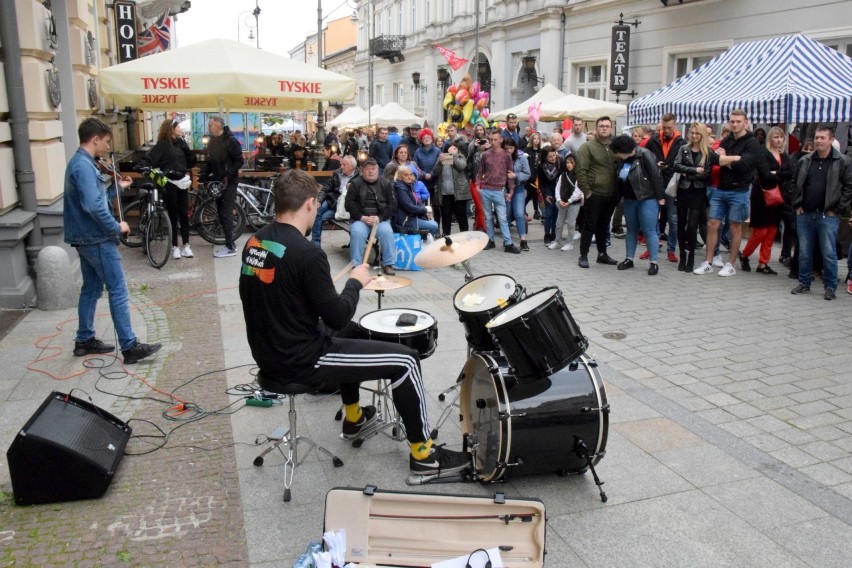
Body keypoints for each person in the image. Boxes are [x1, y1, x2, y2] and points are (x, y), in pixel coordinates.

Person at [239, 169, 468, 476]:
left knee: (353, 333)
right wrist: (355, 283)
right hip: (301, 359)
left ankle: (354, 418)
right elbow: (337, 313)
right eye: (316, 205)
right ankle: (424, 455)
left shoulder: (255, 243)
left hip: (268, 351)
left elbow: (282, 295)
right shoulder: (308, 253)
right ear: (309, 203)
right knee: (407, 361)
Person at [64, 117, 161, 364]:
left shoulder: (81, 163)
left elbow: (96, 198)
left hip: (85, 237)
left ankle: (84, 340)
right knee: (118, 290)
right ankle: (129, 347)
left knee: (91, 289)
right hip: (95, 237)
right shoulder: (84, 166)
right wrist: (116, 226)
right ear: (95, 139)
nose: (108, 147)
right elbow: (93, 206)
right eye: (106, 142)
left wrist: (114, 187)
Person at [693, 109, 763, 276]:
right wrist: (735, 158)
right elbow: (714, 158)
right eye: (732, 121)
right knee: (712, 224)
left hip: (739, 190)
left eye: (738, 121)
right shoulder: (727, 139)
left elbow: (745, 166)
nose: (735, 124)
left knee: (735, 227)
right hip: (721, 188)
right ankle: (708, 261)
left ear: (745, 122)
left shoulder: (752, 142)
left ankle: (730, 264)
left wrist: (727, 160)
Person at [790, 124, 852, 300]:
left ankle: (830, 286)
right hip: (806, 213)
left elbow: (849, 187)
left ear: (831, 140)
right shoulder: (805, 160)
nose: (818, 141)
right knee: (804, 251)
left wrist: (837, 208)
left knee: (829, 252)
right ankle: (804, 282)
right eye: (817, 138)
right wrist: (797, 204)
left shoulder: (842, 161)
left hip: (828, 214)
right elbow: (793, 184)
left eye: (822, 138)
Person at [672, 123, 725, 272]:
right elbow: (676, 165)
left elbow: (706, 174)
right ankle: (682, 255)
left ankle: (691, 257)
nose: (694, 136)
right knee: (680, 224)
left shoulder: (707, 152)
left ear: (702, 135)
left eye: (697, 134)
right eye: (692, 133)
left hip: (698, 192)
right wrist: (694, 170)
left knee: (692, 226)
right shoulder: (684, 149)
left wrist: (687, 173)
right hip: (683, 190)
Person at [609, 135, 666, 275]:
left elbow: (655, 176)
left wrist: (660, 197)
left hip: (647, 198)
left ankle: (654, 262)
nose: (616, 155)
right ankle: (629, 258)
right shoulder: (623, 160)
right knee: (631, 230)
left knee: (649, 230)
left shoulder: (645, 154)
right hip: (629, 199)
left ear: (624, 150)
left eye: (617, 152)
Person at [740, 126, 793, 275]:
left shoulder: (784, 156)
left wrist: (777, 172)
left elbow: (791, 172)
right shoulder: (763, 153)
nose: (779, 140)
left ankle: (763, 263)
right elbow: (765, 175)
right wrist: (780, 174)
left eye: (781, 137)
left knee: (771, 231)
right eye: (776, 137)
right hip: (762, 196)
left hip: (778, 197)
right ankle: (745, 255)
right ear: (770, 138)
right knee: (760, 231)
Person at [141, 117, 196, 260]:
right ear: (171, 129)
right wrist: (144, 166)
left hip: (182, 182)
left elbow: (191, 161)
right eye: (177, 127)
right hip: (170, 183)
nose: (180, 129)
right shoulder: (162, 145)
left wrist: (187, 149)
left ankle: (186, 245)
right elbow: (149, 158)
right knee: (173, 214)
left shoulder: (180, 143)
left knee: (184, 214)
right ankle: (174, 247)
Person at [575, 116, 619, 268]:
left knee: (604, 225)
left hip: (611, 194)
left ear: (611, 128)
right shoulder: (588, 147)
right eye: (601, 126)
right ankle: (583, 255)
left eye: (607, 126)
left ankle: (602, 254)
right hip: (594, 193)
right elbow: (580, 170)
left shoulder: (614, 146)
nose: (604, 128)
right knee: (590, 225)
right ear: (596, 127)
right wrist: (587, 191)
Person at [344, 158, 398, 275]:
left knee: (387, 232)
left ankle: (388, 264)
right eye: (367, 169)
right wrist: (361, 217)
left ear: (378, 170)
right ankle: (357, 265)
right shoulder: (355, 184)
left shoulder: (386, 184)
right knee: (357, 232)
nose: (370, 171)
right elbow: (348, 204)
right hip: (361, 219)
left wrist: (380, 218)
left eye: (373, 169)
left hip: (380, 219)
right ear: (362, 171)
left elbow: (392, 205)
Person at [644, 113, 686, 263]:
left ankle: (671, 249)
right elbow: (645, 159)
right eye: (664, 127)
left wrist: (670, 166)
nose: (667, 130)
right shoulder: (653, 141)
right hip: (655, 184)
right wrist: (655, 165)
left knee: (673, 219)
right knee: (652, 218)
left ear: (675, 125)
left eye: (669, 127)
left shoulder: (681, 142)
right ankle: (651, 248)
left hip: (672, 184)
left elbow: (684, 164)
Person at [478, 132, 521, 253]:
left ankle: (508, 243)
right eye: (490, 139)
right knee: (488, 218)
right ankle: (491, 240)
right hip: (486, 188)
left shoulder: (506, 155)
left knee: (502, 218)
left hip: (498, 190)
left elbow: (510, 174)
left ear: (501, 140)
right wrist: (478, 185)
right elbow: (480, 171)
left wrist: (511, 190)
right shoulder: (485, 155)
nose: (492, 142)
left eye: (495, 139)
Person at [207, 115, 244, 257]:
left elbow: (239, 161)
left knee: (225, 213)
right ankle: (229, 245)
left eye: (210, 125)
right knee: (221, 214)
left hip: (229, 182)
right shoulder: (212, 142)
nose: (208, 127)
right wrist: (205, 176)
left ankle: (230, 247)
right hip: (217, 183)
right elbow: (211, 162)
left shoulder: (231, 141)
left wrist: (228, 175)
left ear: (218, 126)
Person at [311, 155, 358, 246]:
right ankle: (315, 242)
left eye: (344, 165)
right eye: (341, 164)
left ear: (352, 167)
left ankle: (315, 242)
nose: (341, 167)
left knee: (322, 217)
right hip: (332, 200)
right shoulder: (337, 173)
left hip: (345, 206)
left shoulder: (359, 176)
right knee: (317, 211)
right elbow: (325, 189)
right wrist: (319, 201)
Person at [432, 141, 471, 236]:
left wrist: (454, 155)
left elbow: (461, 166)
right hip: (445, 193)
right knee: (446, 215)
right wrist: (440, 162)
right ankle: (446, 235)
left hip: (459, 193)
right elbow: (435, 172)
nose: (451, 150)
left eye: (454, 148)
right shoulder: (444, 158)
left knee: (461, 215)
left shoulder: (460, 157)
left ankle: (464, 235)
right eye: (450, 148)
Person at [548, 155, 584, 251]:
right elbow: (557, 188)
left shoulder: (579, 176)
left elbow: (578, 191)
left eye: (571, 162)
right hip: (562, 202)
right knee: (559, 223)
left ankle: (570, 243)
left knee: (571, 224)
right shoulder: (563, 175)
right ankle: (557, 241)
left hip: (573, 204)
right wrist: (559, 200)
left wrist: (569, 201)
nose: (569, 165)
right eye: (567, 162)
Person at [393, 165, 439, 236]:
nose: (409, 177)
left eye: (410, 174)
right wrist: (425, 210)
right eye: (406, 175)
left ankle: (422, 239)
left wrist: (424, 210)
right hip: (405, 221)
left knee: (433, 223)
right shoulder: (401, 189)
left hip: (412, 217)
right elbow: (409, 207)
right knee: (434, 226)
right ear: (400, 176)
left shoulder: (408, 186)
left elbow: (417, 201)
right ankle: (421, 239)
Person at [502, 138, 531, 251]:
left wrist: (516, 175)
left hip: (518, 187)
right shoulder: (501, 158)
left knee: (519, 213)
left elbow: (527, 174)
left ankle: (523, 240)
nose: (509, 150)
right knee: (506, 214)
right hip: (505, 189)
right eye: (506, 148)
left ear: (515, 148)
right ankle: (507, 240)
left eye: (511, 148)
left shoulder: (521, 157)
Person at [537, 147, 562, 245]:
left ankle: (554, 234)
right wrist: (545, 195)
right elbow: (541, 182)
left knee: (556, 212)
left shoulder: (560, 162)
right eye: (550, 156)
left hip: (558, 188)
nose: (553, 158)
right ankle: (547, 235)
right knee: (548, 213)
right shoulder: (541, 166)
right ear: (545, 157)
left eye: (554, 155)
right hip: (547, 189)